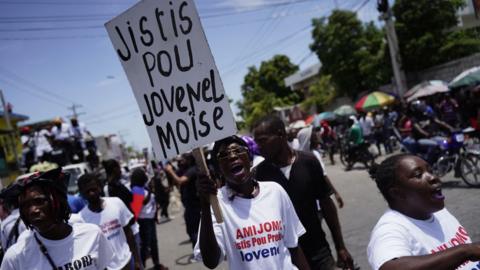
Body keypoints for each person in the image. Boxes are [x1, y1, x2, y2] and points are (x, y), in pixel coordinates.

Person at [252, 115, 354, 270]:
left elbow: (327, 205)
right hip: (285, 257)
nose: (258, 147)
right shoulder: (260, 174)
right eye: (256, 142)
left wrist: (340, 247)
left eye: (263, 140)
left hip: (319, 251)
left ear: (281, 135)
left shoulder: (309, 162)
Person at [194, 135, 310, 270]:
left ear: (249, 160)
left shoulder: (275, 191)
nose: (232, 157)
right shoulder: (217, 203)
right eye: (224, 155)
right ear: (219, 169)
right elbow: (211, 261)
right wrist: (205, 206)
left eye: (238, 151)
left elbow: (294, 246)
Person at [367, 154, 480, 270]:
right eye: (418, 175)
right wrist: (465, 251)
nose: (432, 177)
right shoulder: (389, 230)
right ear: (397, 193)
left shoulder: (436, 211)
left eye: (430, 170)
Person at [2, 168, 114, 270]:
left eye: (39, 201)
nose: (33, 210)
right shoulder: (16, 257)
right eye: (26, 205)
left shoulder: (92, 234)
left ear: (58, 201)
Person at [78, 173, 142, 270]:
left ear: (99, 187)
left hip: (128, 261)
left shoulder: (116, 203)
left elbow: (129, 233)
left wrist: (137, 260)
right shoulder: (81, 219)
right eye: (87, 191)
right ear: (82, 193)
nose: (91, 193)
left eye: (93, 189)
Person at [296, 126, 344, 208]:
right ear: (309, 139)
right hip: (320, 200)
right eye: (313, 134)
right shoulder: (313, 155)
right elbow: (324, 176)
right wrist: (336, 193)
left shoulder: (299, 156)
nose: (316, 135)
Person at [130, 169, 168, 270]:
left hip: (150, 219)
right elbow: (139, 205)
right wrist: (150, 190)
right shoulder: (136, 189)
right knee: (145, 245)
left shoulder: (143, 187)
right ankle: (142, 266)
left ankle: (157, 264)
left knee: (153, 243)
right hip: (143, 221)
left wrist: (155, 215)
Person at [164, 154, 201, 251]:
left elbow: (180, 181)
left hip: (195, 204)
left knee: (193, 230)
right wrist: (169, 171)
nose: (180, 162)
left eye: (183, 160)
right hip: (190, 204)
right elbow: (174, 180)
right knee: (193, 229)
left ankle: (198, 251)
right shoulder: (185, 170)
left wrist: (170, 170)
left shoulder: (192, 170)